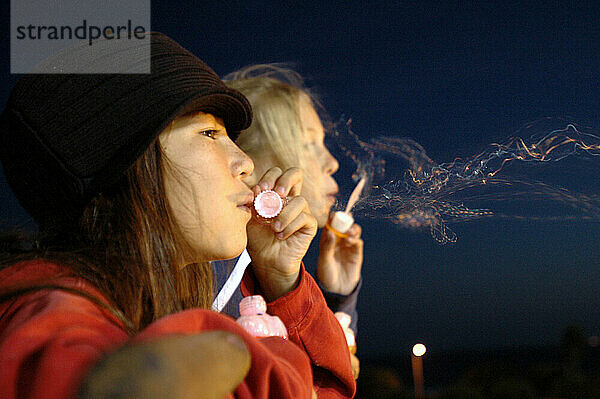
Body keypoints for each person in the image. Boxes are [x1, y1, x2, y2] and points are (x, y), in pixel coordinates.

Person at [0, 33, 355, 399]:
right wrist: (247, 350)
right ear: (130, 164)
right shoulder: (57, 323)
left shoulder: (147, 302)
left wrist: (282, 280)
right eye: (209, 133)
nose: (245, 163)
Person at [219, 65, 363, 378]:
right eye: (310, 144)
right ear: (248, 163)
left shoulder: (259, 268)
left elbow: (330, 376)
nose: (332, 162)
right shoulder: (218, 272)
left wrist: (337, 294)